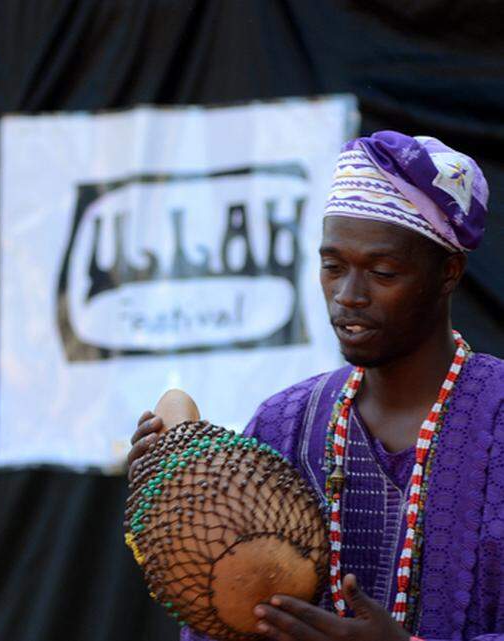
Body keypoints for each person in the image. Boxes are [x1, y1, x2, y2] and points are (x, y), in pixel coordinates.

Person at [128, 131, 503, 641]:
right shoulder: (283, 424)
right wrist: (181, 502)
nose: (348, 296)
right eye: (332, 267)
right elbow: (222, 621)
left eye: (383, 271)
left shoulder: (496, 418)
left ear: (448, 273)